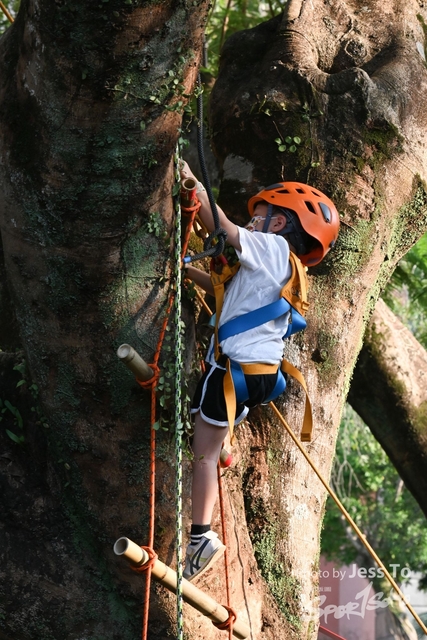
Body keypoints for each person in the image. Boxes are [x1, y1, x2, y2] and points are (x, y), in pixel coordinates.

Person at [179, 161, 340, 581]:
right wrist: (181, 272)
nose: (252, 221)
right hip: (260, 373)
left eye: (260, 214)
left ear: (280, 221)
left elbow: (226, 227)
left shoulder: (272, 249)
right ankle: (223, 440)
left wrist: (194, 182)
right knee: (207, 431)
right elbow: (223, 292)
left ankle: (201, 537)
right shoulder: (283, 271)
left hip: (234, 369)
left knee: (202, 454)